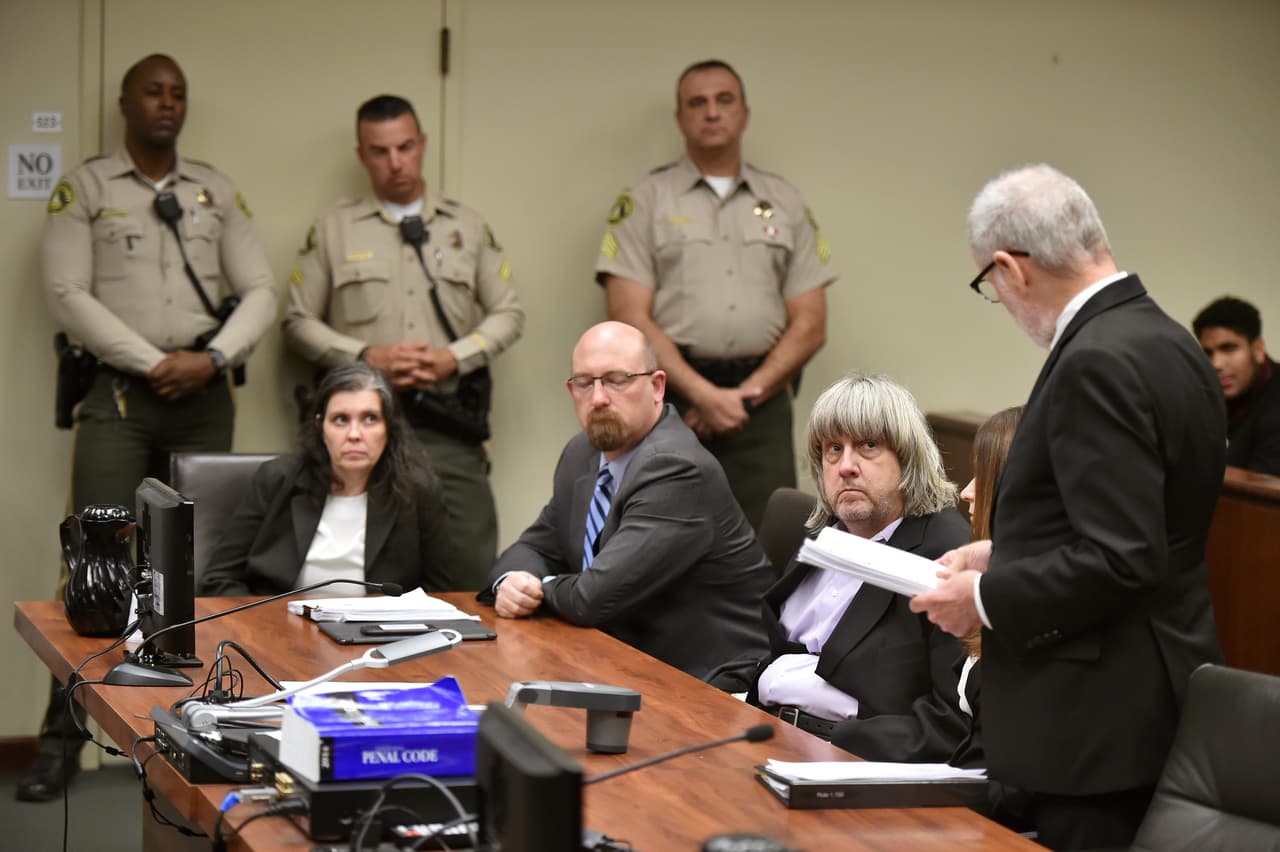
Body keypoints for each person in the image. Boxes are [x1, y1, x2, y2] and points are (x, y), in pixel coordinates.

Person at [911, 164, 1226, 851]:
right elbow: (1142, 521)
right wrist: (1007, 550)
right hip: (1155, 685)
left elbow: (1123, 555)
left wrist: (986, 597)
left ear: (1010, 267)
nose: (1000, 296)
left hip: (1099, 719)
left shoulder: (1096, 359)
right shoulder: (1167, 339)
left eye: (988, 284)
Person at [29, 53, 277, 802]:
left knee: (198, 564)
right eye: (153, 92)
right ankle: (59, 737)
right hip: (122, 396)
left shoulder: (215, 190)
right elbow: (66, 289)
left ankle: (194, 726)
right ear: (125, 102)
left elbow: (261, 288)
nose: (166, 104)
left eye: (177, 94)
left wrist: (215, 357)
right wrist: (151, 361)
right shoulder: (88, 188)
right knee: (98, 562)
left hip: (204, 392)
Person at [283, 94, 524, 591]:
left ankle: (466, 666)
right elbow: (296, 321)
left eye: (405, 147)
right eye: (380, 151)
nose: (396, 163)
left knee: (468, 562)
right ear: (361, 155)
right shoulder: (334, 229)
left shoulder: (466, 226)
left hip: (443, 418)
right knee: (356, 561)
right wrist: (364, 358)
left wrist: (450, 358)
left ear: (423, 145)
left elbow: (509, 312)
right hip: (362, 422)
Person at [596, 59, 837, 530]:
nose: (711, 112)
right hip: (670, 402)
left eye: (724, 100)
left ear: (744, 113)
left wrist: (743, 397)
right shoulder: (645, 200)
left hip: (760, 407)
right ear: (680, 118)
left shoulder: (784, 201)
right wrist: (702, 395)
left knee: (770, 541)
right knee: (661, 533)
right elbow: (628, 316)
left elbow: (811, 323)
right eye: (697, 102)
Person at [478, 321, 772, 679]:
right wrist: (511, 580)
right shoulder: (582, 454)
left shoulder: (676, 468)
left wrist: (537, 587)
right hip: (621, 660)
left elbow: (591, 598)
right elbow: (534, 546)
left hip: (708, 683)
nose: (599, 398)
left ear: (657, 387)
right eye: (585, 382)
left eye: (617, 379)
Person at [742, 374, 971, 763]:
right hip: (761, 732)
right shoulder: (823, 538)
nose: (846, 466)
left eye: (868, 446)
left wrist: (838, 739)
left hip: (852, 762)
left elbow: (951, 724)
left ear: (908, 458)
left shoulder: (948, 552)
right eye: (833, 449)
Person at [200, 362, 453, 596]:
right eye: (341, 420)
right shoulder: (277, 479)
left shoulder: (418, 490)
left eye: (370, 419)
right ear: (321, 427)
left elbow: (443, 594)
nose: (354, 434)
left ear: (389, 428)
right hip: (278, 631)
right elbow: (219, 580)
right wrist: (262, 632)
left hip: (378, 638)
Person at [1192, 296, 1280, 476]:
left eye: (1229, 348)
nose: (1216, 364)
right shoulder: (1204, 398)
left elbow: (1263, 489)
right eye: (1207, 353)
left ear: (1258, 349)